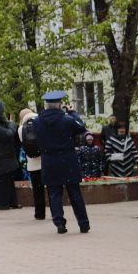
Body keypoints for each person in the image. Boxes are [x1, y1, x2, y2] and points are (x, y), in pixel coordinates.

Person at [33, 92, 90, 234]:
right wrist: (72, 113)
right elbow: (82, 128)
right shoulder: (67, 119)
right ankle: (83, 224)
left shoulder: (37, 121)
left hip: (49, 160)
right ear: (59, 104)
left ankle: (59, 223)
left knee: (54, 193)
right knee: (74, 192)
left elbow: (36, 138)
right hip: (68, 159)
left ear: (46, 105)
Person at [18, 108, 44, 221]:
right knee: (51, 189)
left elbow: (23, 143)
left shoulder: (21, 129)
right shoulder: (42, 123)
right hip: (45, 161)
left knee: (37, 190)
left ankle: (39, 214)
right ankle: (55, 212)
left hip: (32, 163)